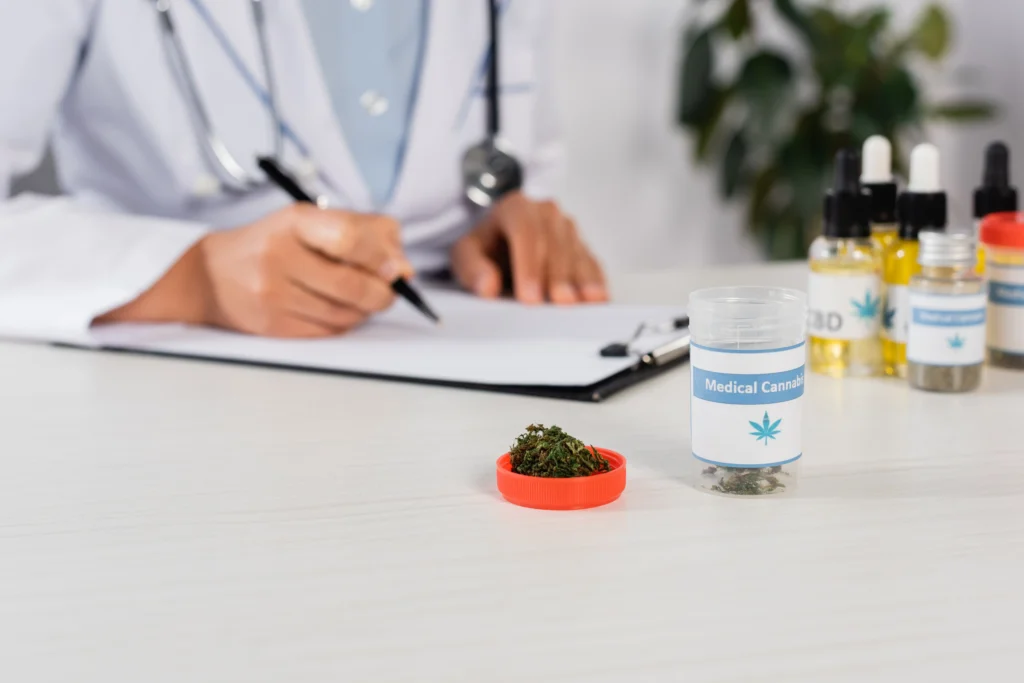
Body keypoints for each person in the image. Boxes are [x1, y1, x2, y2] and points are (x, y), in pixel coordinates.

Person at [0, 0, 607, 342]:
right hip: (167, 391)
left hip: (458, 360)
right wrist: (192, 280)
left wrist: (497, 221)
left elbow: (515, 142)